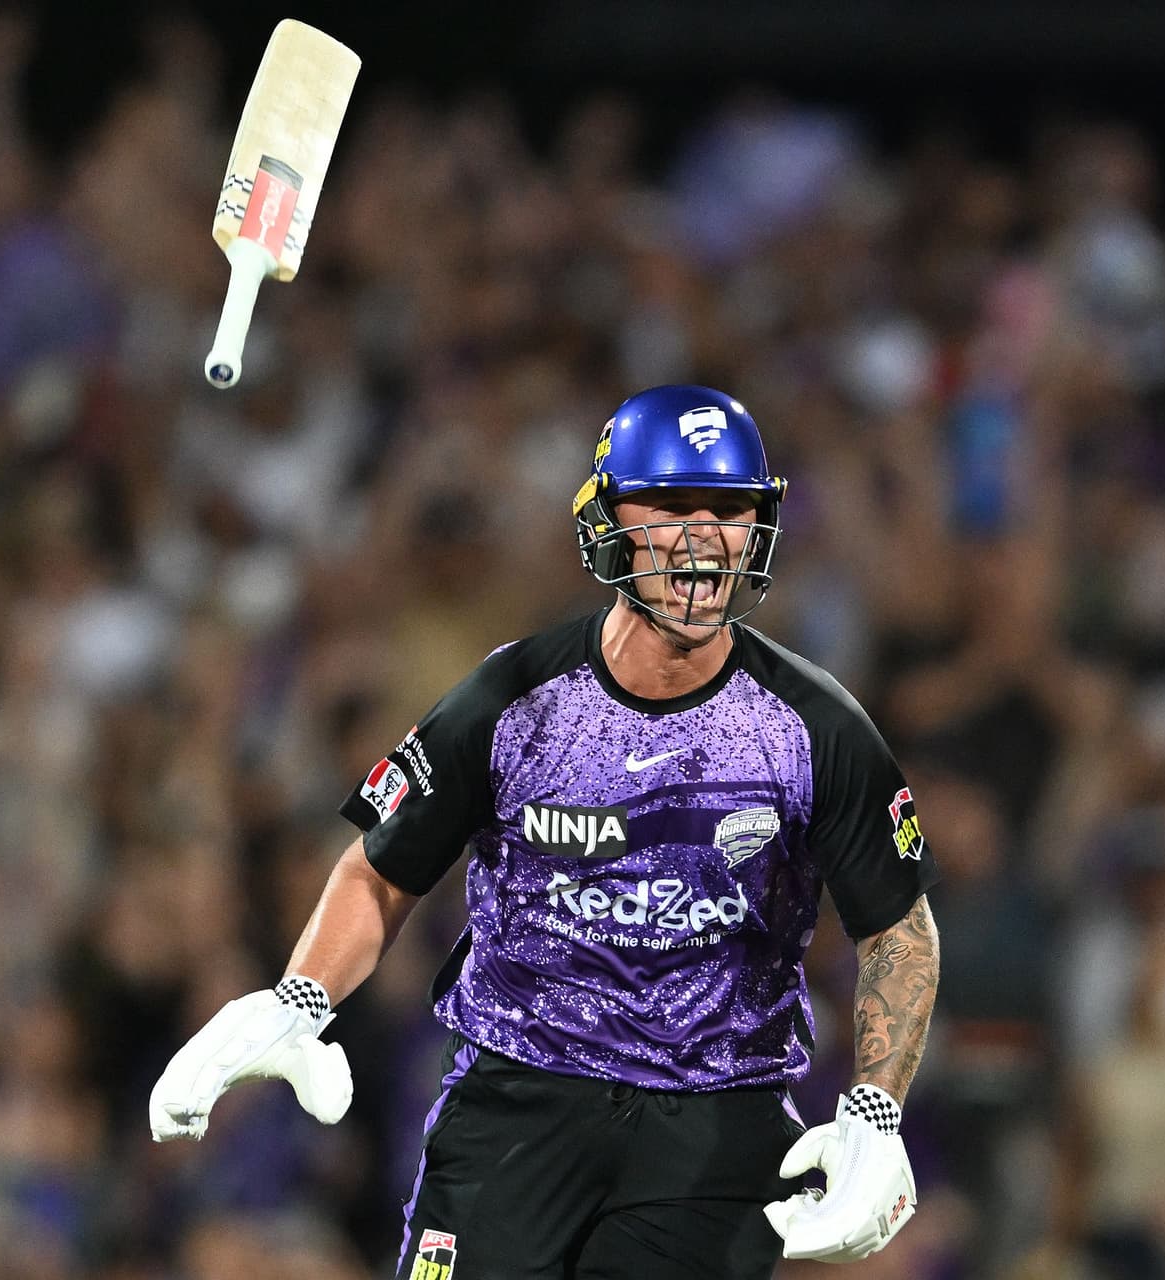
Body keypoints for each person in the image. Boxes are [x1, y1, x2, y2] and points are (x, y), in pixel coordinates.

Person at [150, 385, 943, 1277]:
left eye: (728, 509)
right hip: (514, 1111)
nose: (704, 536)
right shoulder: (512, 698)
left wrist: (875, 1110)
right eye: (672, 506)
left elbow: (898, 928)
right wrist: (301, 999)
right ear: (609, 523)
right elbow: (382, 868)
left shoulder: (816, 727)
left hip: (716, 1134)